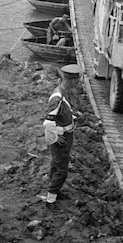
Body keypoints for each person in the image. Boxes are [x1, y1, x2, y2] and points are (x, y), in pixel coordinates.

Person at [39, 64, 81, 206]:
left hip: (64, 136)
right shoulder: (57, 98)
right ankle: (51, 199)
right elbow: (48, 123)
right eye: (76, 82)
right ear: (72, 81)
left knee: (56, 164)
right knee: (62, 169)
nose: (76, 85)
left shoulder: (62, 94)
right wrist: (57, 137)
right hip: (60, 139)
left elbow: (60, 115)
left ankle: (54, 190)